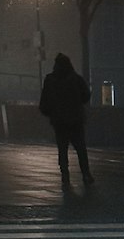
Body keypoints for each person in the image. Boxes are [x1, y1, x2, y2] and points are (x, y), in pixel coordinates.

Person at [39, 52, 93, 187]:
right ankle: (86, 174)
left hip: (59, 122)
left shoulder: (50, 80)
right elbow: (86, 96)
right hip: (75, 120)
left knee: (62, 150)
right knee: (80, 149)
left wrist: (51, 114)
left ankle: (65, 176)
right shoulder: (76, 79)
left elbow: (43, 103)